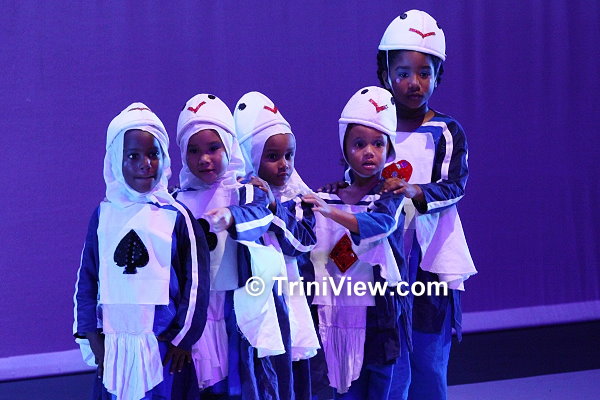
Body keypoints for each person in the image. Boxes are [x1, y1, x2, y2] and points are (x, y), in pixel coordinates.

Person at [73, 103, 210, 400]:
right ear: (115, 160)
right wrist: (92, 334)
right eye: (133, 156)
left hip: (163, 345)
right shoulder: (103, 215)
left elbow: (196, 284)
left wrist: (183, 338)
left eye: (153, 154)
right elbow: (88, 278)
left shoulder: (176, 216)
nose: (145, 164)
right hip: (115, 344)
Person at [377, 10, 477, 400]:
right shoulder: (375, 128)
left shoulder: (445, 131)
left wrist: (416, 192)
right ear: (385, 73)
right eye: (403, 73)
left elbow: (454, 185)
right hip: (385, 253)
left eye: (424, 73)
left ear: (438, 76)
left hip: (429, 257)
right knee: (391, 355)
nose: (414, 83)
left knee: (428, 353)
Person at [172, 93, 286, 399]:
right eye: (194, 150)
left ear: (229, 145)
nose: (204, 158)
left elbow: (260, 216)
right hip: (198, 313)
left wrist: (231, 216)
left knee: (247, 382)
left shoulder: (244, 191)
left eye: (213, 148)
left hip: (239, 310)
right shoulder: (177, 201)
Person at [302, 86, 406, 399]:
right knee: (343, 385)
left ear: (389, 148)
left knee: (381, 384)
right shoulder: (329, 194)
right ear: (345, 148)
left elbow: (379, 225)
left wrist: (332, 212)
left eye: (378, 143)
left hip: (380, 313)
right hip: (338, 311)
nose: (369, 152)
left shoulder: (389, 195)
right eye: (359, 144)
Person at [235, 91, 320, 400]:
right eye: (272, 157)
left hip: (288, 298)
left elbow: (302, 243)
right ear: (249, 157)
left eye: (289, 155)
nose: (284, 165)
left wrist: (273, 206)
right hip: (254, 301)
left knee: (289, 379)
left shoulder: (299, 199)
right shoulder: (238, 196)